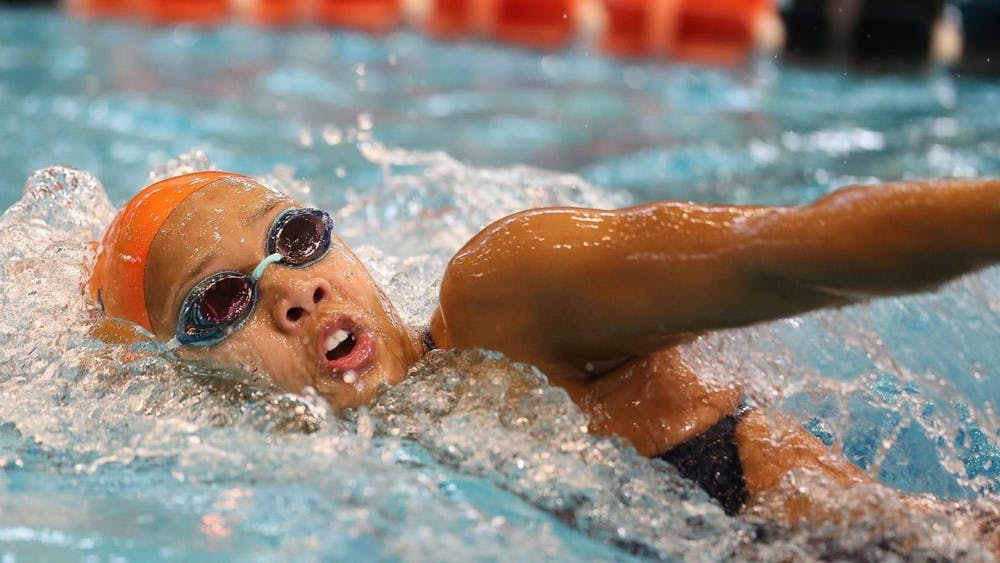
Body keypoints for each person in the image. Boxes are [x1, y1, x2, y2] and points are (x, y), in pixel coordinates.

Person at [88, 170, 1000, 522]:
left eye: (294, 236)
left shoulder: (506, 299)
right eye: (221, 299)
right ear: (179, 375)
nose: (297, 289)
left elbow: (786, 253)